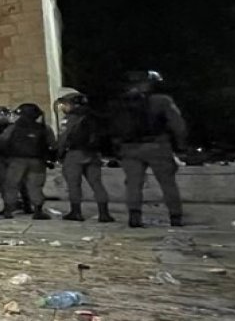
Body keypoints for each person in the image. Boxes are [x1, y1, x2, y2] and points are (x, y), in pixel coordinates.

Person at [110, 70, 186, 228]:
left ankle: (134, 217)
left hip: (129, 148)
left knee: (133, 184)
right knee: (167, 183)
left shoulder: (123, 103)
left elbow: (113, 127)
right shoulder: (162, 100)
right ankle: (175, 217)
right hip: (157, 146)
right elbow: (178, 125)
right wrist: (180, 146)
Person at [57, 92, 114, 223]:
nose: (63, 107)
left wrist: (59, 154)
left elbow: (63, 138)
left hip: (74, 154)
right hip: (93, 154)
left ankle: (76, 212)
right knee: (97, 184)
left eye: (65, 104)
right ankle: (104, 213)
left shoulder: (70, 118)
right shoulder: (94, 116)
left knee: (74, 185)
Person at [0, 103, 55, 220]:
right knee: (35, 185)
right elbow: (52, 144)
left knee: (12, 185)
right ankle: (38, 210)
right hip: (37, 162)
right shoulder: (44, 128)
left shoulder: (13, 128)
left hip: (17, 161)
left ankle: (8, 210)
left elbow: (1, 142)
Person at [0, 107, 31, 214]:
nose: (2, 116)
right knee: (4, 183)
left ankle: (26, 204)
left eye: (4, 114)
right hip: (0, 158)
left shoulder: (15, 128)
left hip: (15, 158)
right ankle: (8, 206)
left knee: (21, 182)